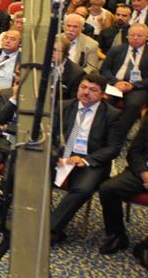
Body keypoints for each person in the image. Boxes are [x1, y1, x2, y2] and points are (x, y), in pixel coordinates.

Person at [49, 74, 124, 243]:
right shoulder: (64, 106)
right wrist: (55, 155)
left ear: (103, 95)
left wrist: (84, 160)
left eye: (93, 90)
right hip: (63, 154)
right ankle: (38, 219)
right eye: (83, 87)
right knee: (38, 175)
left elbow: (113, 148)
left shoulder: (112, 115)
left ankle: (50, 227)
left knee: (83, 189)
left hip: (91, 159)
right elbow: (51, 135)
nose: (86, 92)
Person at [96, 111, 148, 258]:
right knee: (108, 189)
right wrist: (144, 173)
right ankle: (117, 235)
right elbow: (134, 151)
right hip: (143, 171)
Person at [99, 23, 148, 129]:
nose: (135, 38)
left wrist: (133, 85)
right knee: (103, 100)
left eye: (139, 35)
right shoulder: (116, 50)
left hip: (138, 87)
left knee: (133, 104)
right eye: (132, 35)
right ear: (127, 36)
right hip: (115, 85)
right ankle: (101, 128)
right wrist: (116, 82)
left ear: (147, 37)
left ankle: (120, 132)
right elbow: (104, 69)